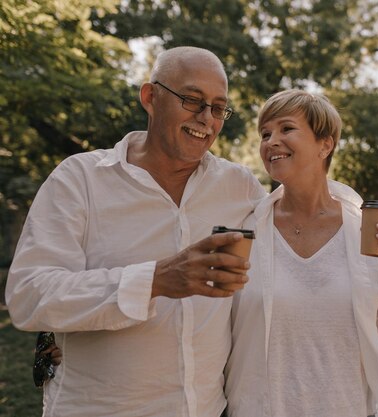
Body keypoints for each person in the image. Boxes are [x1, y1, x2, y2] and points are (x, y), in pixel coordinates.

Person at [5, 46, 267, 417]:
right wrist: (154, 280)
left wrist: (364, 226)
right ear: (150, 97)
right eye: (192, 100)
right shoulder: (79, 179)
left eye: (218, 107)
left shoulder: (238, 186)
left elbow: (294, 233)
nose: (206, 119)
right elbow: (28, 295)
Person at [224, 89, 378, 417]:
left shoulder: (366, 230)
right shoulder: (246, 228)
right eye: (265, 133)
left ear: (325, 144)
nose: (271, 141)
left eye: (286, 128)